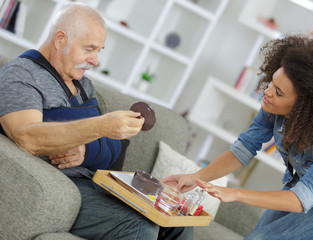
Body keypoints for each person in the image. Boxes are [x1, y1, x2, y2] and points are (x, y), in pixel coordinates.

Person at [0, 3, 192, 240]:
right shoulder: (21, 74)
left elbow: (115, 148)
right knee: (140, 226)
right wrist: (101, 127)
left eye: (99, 50)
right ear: (60, 40)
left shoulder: (84, 85)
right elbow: (26, 137)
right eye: (90, 49)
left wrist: (87, 147)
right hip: (61, 186)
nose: (96, 60)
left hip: (94, 181)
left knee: (177, 223)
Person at [163, 35, 313, 240]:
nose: (267, 92)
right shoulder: (272, 105)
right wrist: (194, 178)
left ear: (305, 105)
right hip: (301, 184)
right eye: (272, 82)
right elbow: (243, 150)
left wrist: (236, 193)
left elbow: (303, 198)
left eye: (279, 92)